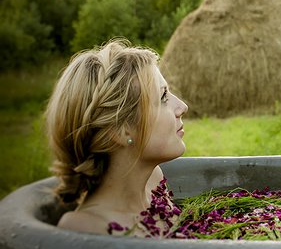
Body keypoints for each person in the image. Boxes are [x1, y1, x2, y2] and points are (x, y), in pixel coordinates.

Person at [45, 39, 188, 235]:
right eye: (163, 97)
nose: (182, 107)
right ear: (120, 130)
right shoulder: (85, 227)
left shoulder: (154, 182)